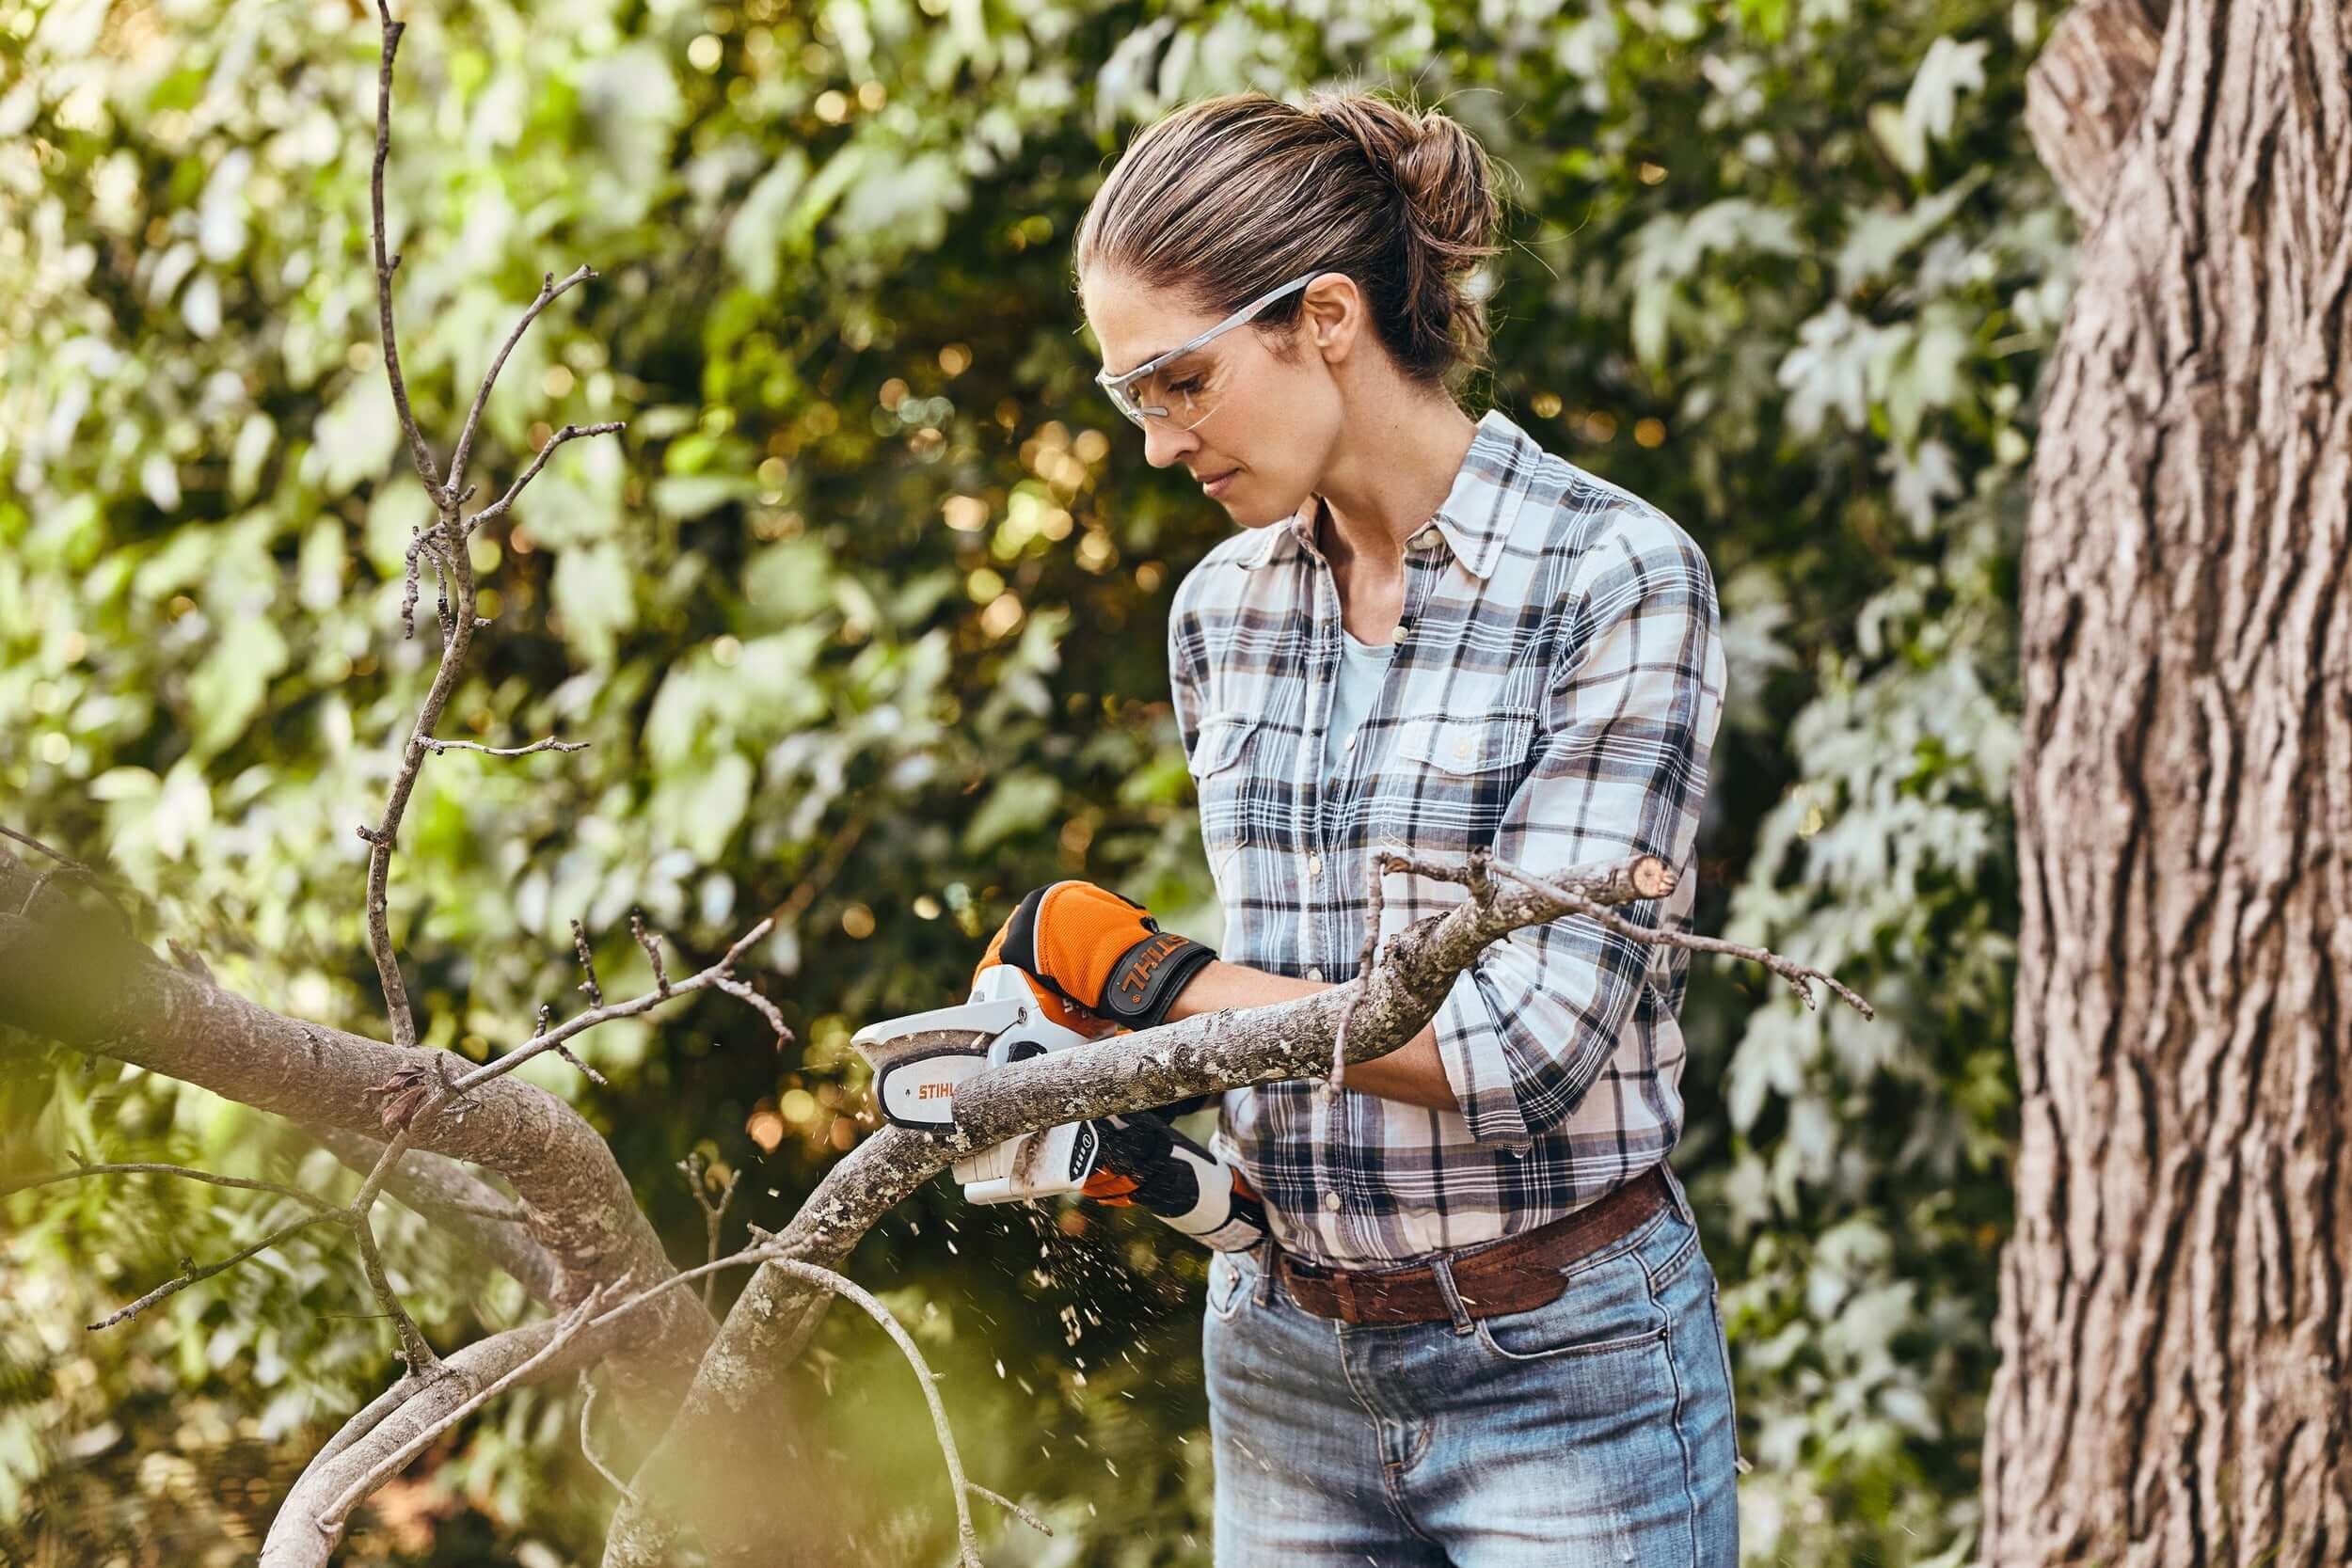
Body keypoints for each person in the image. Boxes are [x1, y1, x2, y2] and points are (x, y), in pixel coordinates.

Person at [973, 87, 1736, 1566]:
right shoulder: (1226, 613)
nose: (1154, 440)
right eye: (1131, 398)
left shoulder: (1613, 579)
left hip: (1560, 1369)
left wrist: (1151, 986)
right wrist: (1120, 1082)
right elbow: (1302, 1000)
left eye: (1177, 382)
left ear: (1324, 314)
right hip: (1284, 1362)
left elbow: (1523, 1050)